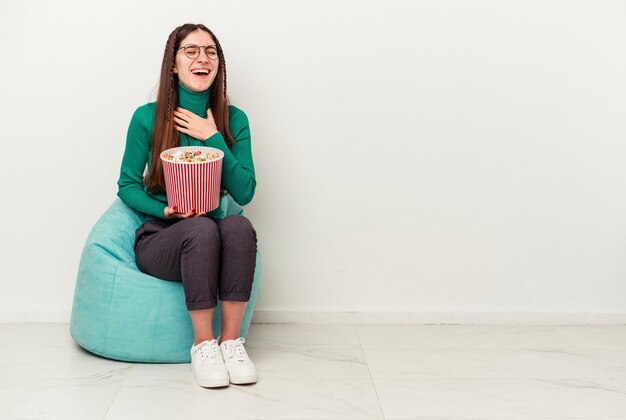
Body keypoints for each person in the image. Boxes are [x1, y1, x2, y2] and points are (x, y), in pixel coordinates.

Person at [117, 23, 258, 388]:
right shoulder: (146, 117)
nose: (202, 58)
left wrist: (212, 136)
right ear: (174, 65)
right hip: (161, 238)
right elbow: (127, 185)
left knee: (238, 226)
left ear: (219, 65)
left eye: (210, 51)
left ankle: (230, 342)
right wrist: (164, 210)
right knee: (200, 227)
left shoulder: (235, 119)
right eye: (191, 50)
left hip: (210, 235)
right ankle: (202, 344)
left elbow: (245, 192)